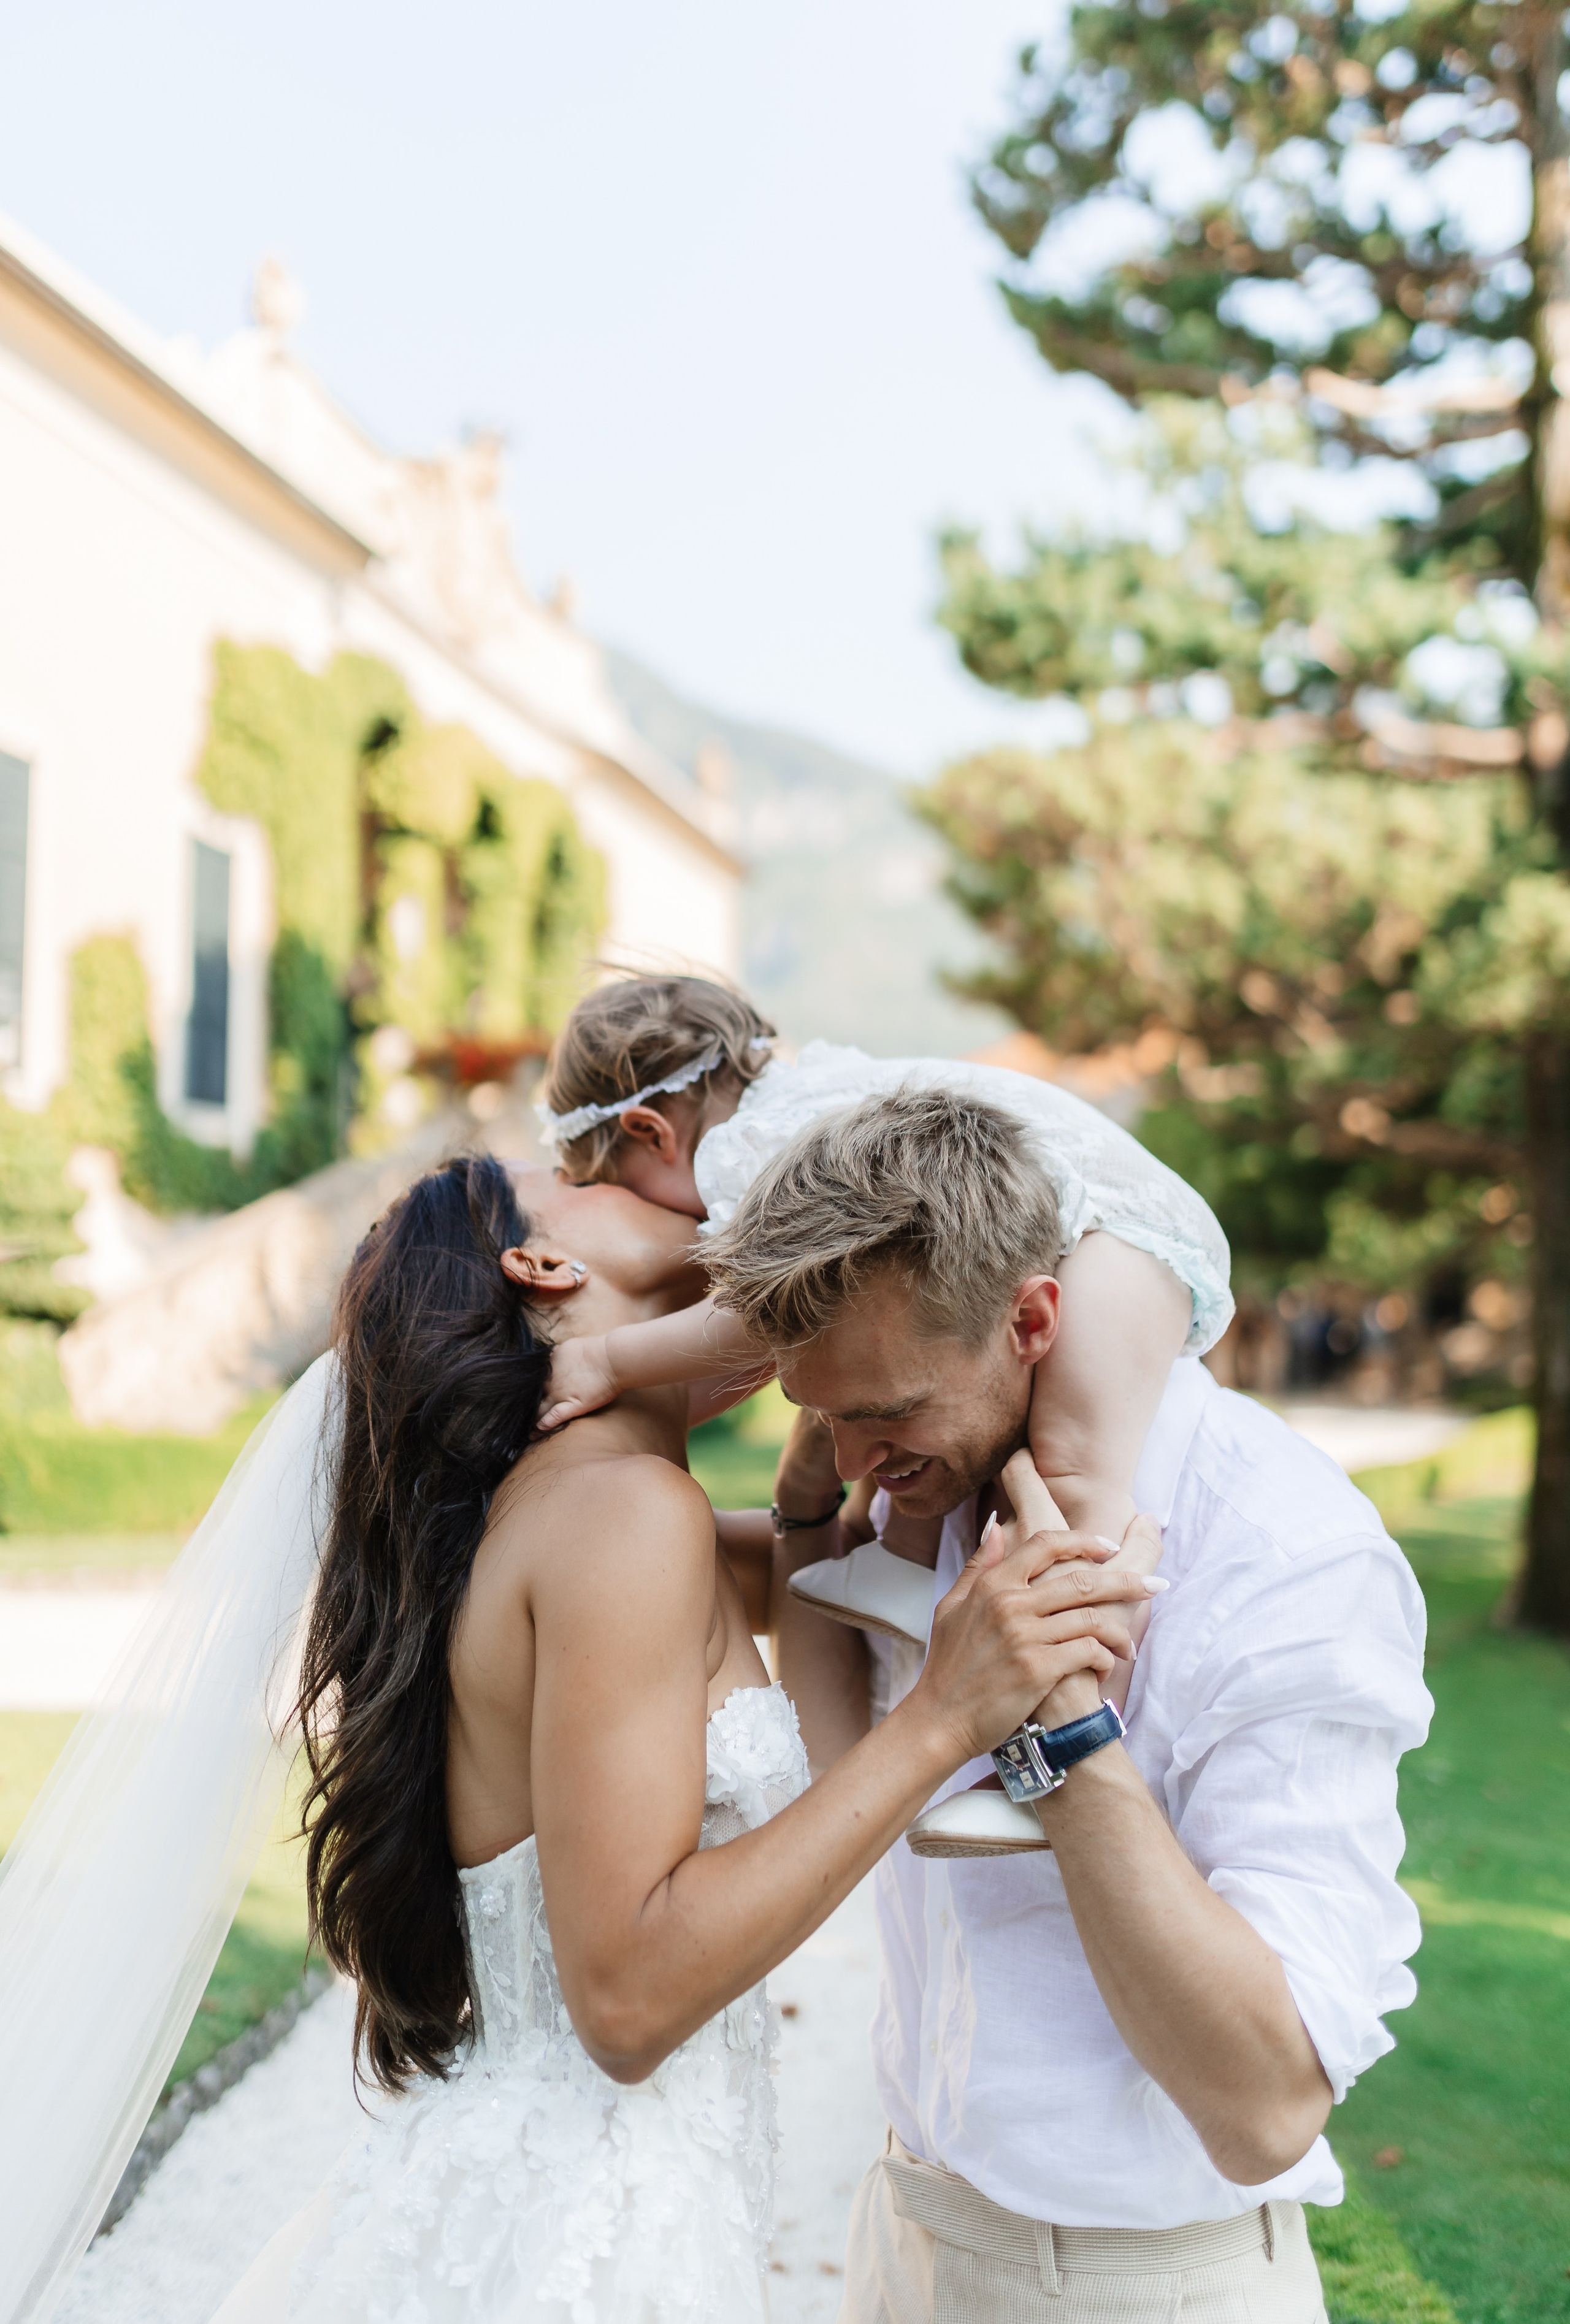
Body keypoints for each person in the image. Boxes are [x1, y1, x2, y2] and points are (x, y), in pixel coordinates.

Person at [0, 1152, 1152, 2324]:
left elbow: (823, 1641)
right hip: (580, 2241)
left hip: (605, 2195)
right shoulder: (620, 1517)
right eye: (574, 1174)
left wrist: (816, 1506)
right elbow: (627, 2001)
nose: (655, 1172)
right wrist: (948, 1714)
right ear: (544, 1265)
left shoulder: (623, 1512)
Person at [702, 1087, 1434, 2324]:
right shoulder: (927, 1490)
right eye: (819, 1411)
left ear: (1033, 1317)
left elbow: (1263, 2106)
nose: (855, 1453)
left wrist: (1062, 1730)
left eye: (881, 1412)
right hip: (900, 2236)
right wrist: (800, 1518)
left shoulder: (1288, 1558)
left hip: (1139, 2286)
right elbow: (851, 1787)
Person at [532, 974, 1229, 1848]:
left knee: (1073, 1469)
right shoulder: (802, 1097)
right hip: (1088, 1217)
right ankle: (903, 1566)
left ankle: (1069, 1750)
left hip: (1131, 1237)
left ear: (649, 1132)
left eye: (620, 1186)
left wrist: (605, 1358)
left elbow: (760, 1310)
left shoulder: (744, 1150)